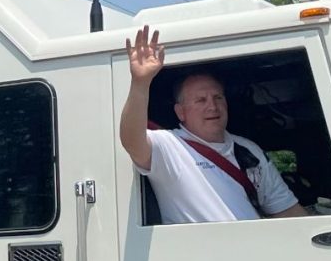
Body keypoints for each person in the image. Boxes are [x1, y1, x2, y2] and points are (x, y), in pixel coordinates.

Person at [119, 26, 306, 224]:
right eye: (201, 100)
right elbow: (131, 140)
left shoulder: (249, 150)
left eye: (218, 97)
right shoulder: (169, 146)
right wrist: (140, 83)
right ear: (180, 112)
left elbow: (287, 210)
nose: (212, 106)